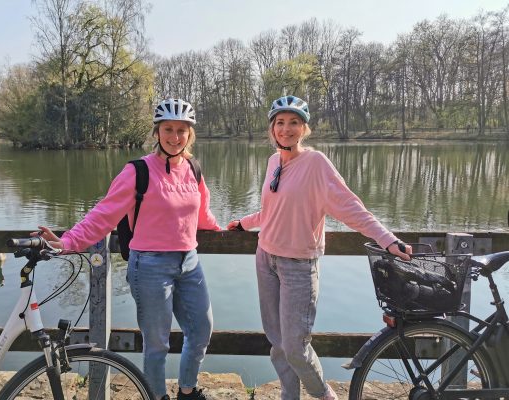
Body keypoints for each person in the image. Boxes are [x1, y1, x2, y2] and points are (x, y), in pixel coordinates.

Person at [226, 95, 412, 400]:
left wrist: (387, 239)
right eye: (280, 123)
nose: (286, 129)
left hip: (298, 265)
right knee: (277, 343)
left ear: (304, 129)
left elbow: (351, 207)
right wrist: (245, 223)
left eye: (294, 123)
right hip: (266, 259)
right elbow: (271, 209)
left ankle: (325, 395)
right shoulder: (274, 160)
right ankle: (290, 395)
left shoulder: (315, 163)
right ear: (272, 129)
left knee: (296, 347)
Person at [35, 98, 220, 400]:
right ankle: (156, 396)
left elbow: (202, 216)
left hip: (189, 263)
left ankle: (187, 391)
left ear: (190, 134)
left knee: (201, 331)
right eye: (168, 129)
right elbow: (102, 215)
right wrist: (67, 241)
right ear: (157, 132)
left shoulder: (193, 169)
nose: (175, 137)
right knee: (157, 343)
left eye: (182, 130)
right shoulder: (138, 172)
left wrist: (230, 228)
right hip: (149, 266)